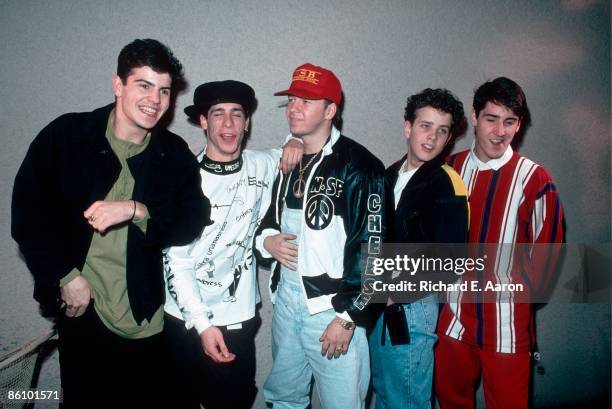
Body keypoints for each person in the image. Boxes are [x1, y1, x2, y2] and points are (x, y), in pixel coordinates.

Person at [11, 38, 211, 408]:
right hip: (84, 314)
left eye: (164, 90)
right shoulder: (67, 136)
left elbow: (193, 219)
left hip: (150, 317)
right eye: (144, 85)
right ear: (118, 85)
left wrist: (136, 210)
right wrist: (65, 276)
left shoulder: (173, 153)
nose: (155, 99)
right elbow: (28, 214)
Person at [163, 80, 303, 409]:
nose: (228, 124)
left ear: (247, 122)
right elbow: (177, 261)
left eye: (237, 115)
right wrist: (202, 324)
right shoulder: (182, 179)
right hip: (183, 320)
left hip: (238, 320)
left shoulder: (264, 164)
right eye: (218, 114)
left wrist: (294, 139)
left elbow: (308, 143)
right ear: (202, 121)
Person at [254, 63, 385, 409]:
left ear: (330, 110)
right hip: (286, 301)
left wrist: (349, 317)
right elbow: (266, 221)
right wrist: (266, 241)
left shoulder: (360, 165)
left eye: (307, 101)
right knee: (283, 398)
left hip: (332, 310)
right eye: (293, 99)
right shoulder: (287, 161)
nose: (295, 108)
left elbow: (373, 248)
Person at [435, 77, 565, 409]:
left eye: (510, 122)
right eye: (491, 119)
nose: (499, 131)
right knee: (451, 401)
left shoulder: (536, 179)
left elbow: (547, 259)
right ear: (474, 118)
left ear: (519, 125)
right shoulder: (449, 168)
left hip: (506, 322)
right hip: (452, 315)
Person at [370, 88, 469, 409]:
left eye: (442, 130)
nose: (432, 137)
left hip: (410, 309)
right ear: (407, 127)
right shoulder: (388, 175)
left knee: (408, 399)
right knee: (384, 392)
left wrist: (394, 291)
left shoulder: (447, 182)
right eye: (425, 126)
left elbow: (450, 262)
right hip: (377, 304)